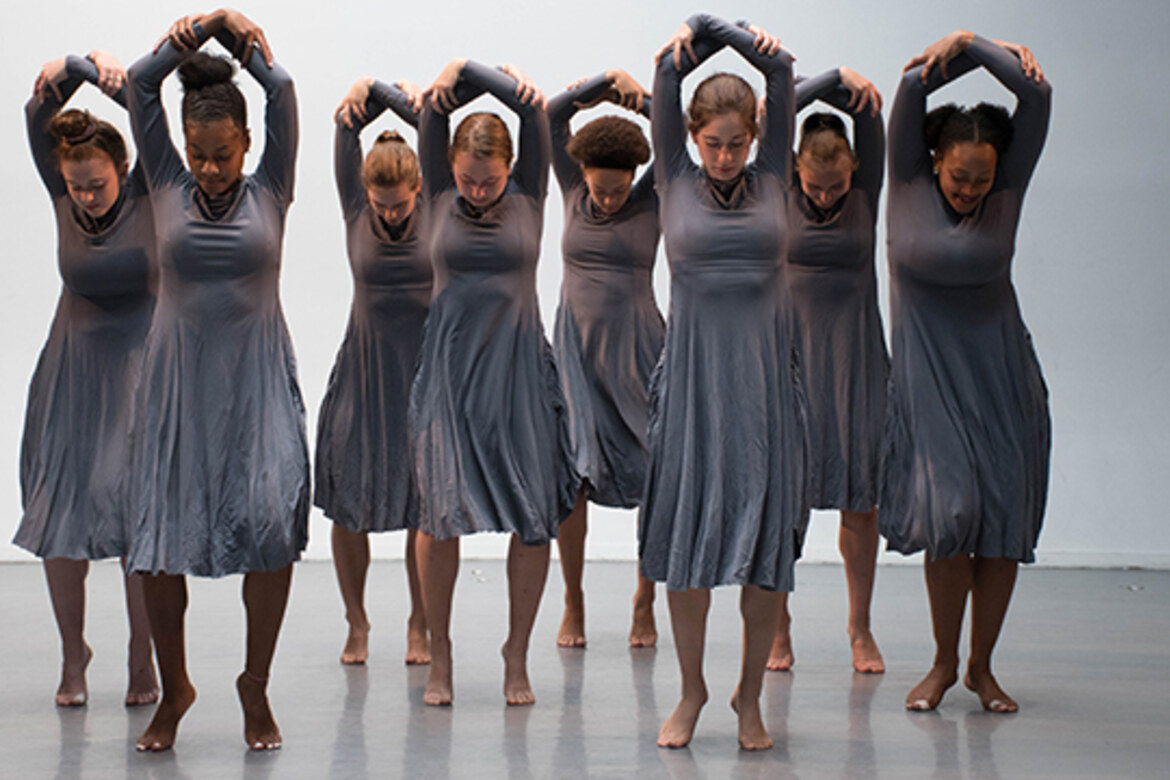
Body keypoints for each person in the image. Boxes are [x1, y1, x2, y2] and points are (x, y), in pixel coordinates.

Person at [125, 8, 307, 751]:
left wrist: (238, 37)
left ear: (247, 145)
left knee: (268, 529)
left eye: (221, 155)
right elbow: (140, 85)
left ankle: (253, 685)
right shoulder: (164, 180)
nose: (208, 167)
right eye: (199, 154)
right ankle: (176, 689)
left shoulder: (272, 188)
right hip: (176, 386)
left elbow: (284, 88)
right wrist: (192, 31)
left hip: (256, 381)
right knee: (159, 541)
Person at [639, 14, 804, 750]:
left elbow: (783, 70)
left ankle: (747, 696)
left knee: (765, 544)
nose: (728, 156)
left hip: (765, 383)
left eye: (739, 142)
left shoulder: (774, 172)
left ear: (757, 136)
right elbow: (666, 74)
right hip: (694, 383)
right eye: (715, 143)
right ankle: (692, 690)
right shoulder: (674, 173)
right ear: (694, 138)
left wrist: (748, 40)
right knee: (686, 540)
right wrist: (708, 29)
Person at [879, 30, 1051, 713]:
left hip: (1002, 375)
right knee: (950, 516)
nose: (973, 189)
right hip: (929, 377)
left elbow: (1034, 97)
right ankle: (944, 663)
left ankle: (982, 668)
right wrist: (964, 47)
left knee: (1000, 519)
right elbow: (913, 86)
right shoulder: (908, 178)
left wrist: (989, 46)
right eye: (960, 177)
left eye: (982, 178)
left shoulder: (1006, 188)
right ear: (934, 163)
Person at [409, 57, 576, 707]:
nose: (478, 191)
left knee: (533, 519)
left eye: (491, 181)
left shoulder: (531, 192)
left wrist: (489, 76)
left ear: (512, 171)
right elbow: (433, 110)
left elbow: (535, 112)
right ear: (449, 171)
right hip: (450, 372)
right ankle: (441, 655)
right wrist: (457, 71)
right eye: (468, 180)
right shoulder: (438, 195)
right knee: (438, 515)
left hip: (517, 373)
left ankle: (516, 654)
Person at [16, 49, 158, 708]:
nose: (86, 195)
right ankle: (74, 654)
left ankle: (142, 652)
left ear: (123, 170)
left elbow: (150, 114)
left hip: (138, 366)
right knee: (60, 512)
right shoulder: (63, 197)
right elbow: (36, 112)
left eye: (97, 184)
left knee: (137, 516)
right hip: (71, 369)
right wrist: (69, 67)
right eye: (76, 186)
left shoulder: (152, 191)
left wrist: (114, 80)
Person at [768, 66, 888, 675]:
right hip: (792, 358)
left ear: (854, 172)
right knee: (784, 499)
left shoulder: (865, 193)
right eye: (814, 186)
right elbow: (773, 110)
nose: (823, 195)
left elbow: (872, 116)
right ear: (795, 169)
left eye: (833, 186)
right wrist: (828, 78)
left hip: (856, 360)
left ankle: (859, 627)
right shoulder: (782, 189)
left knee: (858, 502)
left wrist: (852, 85)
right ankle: (778, 629)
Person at [545, 68, 662, 649]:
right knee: (571, 479)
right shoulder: (570, 188)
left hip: (638, 351)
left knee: (656, 472)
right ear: (583, 175)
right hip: (575, 351)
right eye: (600, 188)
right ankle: (574, 601)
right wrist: (601, 86)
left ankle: (645, 600)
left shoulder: (651, 198)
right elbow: (550, 114)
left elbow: (672, 136)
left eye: (619, 189)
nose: (610, 198)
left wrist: (641, 101)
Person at [319, 76, 432, 666]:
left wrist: (401, 100)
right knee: (349, 503)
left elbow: (434, 128)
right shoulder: (355, 209)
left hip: (420, 374)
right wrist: (367, 89)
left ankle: (420, 622)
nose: (388, 213)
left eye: (399, 202)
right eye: (379, 203)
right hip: (363, 372)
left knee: (424, 505)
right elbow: (344, 127)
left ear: (418, 187)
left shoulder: (435, 203)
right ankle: (356, 620)